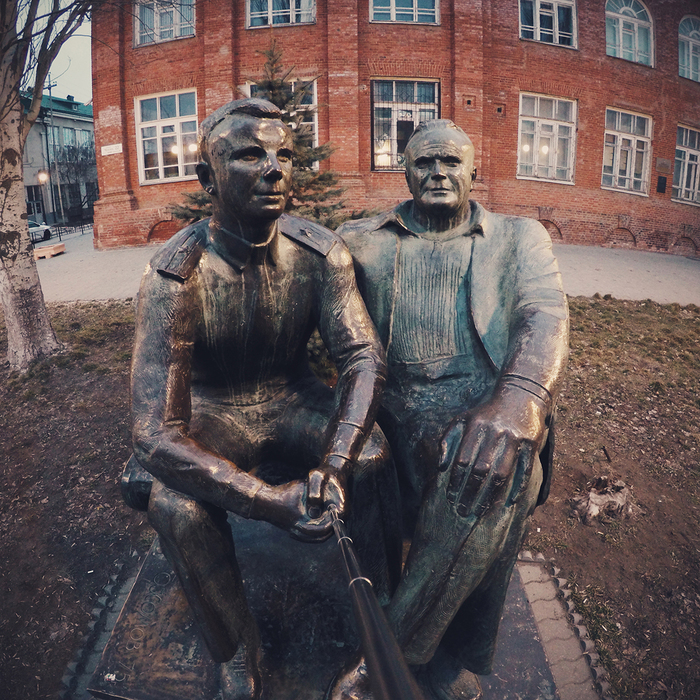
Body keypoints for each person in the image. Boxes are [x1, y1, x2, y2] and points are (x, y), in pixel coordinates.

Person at [129, 98, 401, 700]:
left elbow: (363, 356)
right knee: (177, 506)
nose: (275, 169)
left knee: (373, 455)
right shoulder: (175, 276)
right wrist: (265, 500)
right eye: (251, 155)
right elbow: (153, 431)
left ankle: (385, 617)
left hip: (292, 398)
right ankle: (234, 651)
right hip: (212, 411)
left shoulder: (320, 252)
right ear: (208, 179)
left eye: (284, 155)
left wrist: (336, 461)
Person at [330, 119, 569, 700]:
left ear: (473, 171)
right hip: (390, 406)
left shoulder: (519, 237)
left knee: (506, 469)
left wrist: (517, 402)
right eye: (424, 162)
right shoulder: (358, 240)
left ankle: (385, 660)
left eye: (451, 162)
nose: (438, 172)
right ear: (405, 173)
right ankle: (425, 650)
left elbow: (544, 312)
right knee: (463, 480)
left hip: (484, 404)